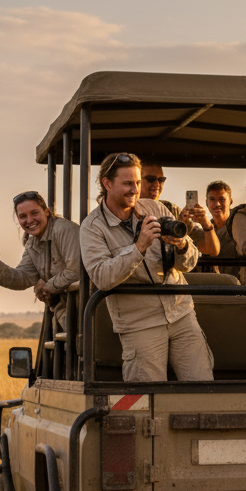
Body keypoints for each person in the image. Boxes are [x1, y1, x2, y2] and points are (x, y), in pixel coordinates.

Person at [79, 152, 213, 382]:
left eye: (138, 183)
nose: (135, 190)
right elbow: (102, 278)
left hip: (180, 313)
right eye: (128, 183)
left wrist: (181, 245)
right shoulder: (92, 227)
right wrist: (139, 248)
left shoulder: (156, 208)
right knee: (148, 399)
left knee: (202, 387)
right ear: (107, 183)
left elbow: (189, 264)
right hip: (140, 324)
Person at [0, 191, 81, 332]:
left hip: (88, 311)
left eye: (34, 213)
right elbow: (22, 278)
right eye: (23, 216)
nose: (29, 220)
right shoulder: (32, 244)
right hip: (67, 315)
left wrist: (48, 287)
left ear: (47, 212)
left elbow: (76, 271)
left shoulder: (64, 230)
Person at [142, 160, 220, 260]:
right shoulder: (125, 211)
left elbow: (212, 250)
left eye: (161, 179)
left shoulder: (171, 210)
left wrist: (206, 224)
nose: (157, 184)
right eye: (150, 179)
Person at [189, 180, 238, 272]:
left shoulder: (239, 223)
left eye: (222, 199)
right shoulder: (203, 228)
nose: (217, 204)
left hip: (237, 282)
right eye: (212, 199)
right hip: (211, 281)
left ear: (230, 201)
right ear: (207, 202)